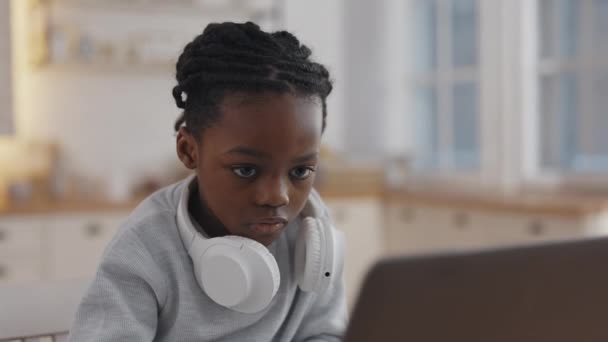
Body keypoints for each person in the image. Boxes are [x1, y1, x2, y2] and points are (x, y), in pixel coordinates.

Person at [68, 21, 347, 341]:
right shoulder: (146, 246)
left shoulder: (311, 233)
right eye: (246, 170)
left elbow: (325, 334)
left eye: (300, 172)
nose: (277, 196)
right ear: (189, 151)